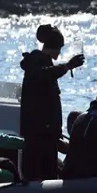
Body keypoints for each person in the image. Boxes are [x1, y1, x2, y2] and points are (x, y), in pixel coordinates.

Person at [20, 24, 85, 180]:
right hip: (40, 136)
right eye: (59, 48)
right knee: (42, 174)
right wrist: (68, 66)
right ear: (54, 47)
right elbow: (45, 75)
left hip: (45, 134)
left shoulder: (40, 62)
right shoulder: (37, 61)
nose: (60, 52)